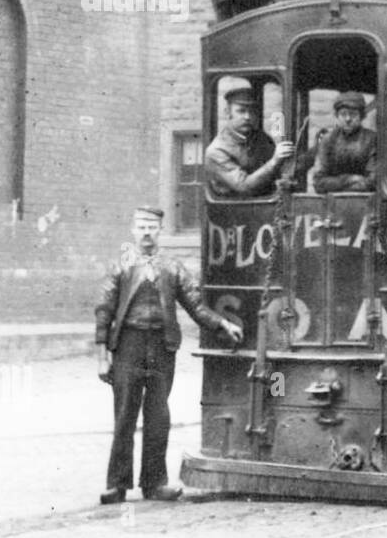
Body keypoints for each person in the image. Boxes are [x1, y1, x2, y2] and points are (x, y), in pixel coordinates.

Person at [94, 206, 243, 504]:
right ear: (133, 230)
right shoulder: (121, 266)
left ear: (160, 231)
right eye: (141, 226)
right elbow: (104, 311)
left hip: (162, 347)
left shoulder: (173, 268)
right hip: (128, 346)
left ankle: (155, 483)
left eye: (152, 227)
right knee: (124, 416)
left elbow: (195, 305)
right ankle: (116, 484)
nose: (147, 232)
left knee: (158, 416)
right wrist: (102, 355)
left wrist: (222, 323)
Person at [205, 86, 294, 197]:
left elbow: (280, 171)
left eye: (252, 111)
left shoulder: (261, 139)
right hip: (235, 210)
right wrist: (274, 161)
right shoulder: (217, 151)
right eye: (241, 111)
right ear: (227, 113)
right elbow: (243, 186)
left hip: (263, 204)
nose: (247, 117)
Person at [311, 91, 377, 193]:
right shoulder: (328, 140)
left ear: (362, 116)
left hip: (366, 202)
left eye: (353, 114)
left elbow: (373, 181)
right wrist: (350, 179)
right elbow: (318, 182)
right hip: (331, 204)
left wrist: (336, 185)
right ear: (337, 116)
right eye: (343, 114)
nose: (348, 119)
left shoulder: (372, 139)